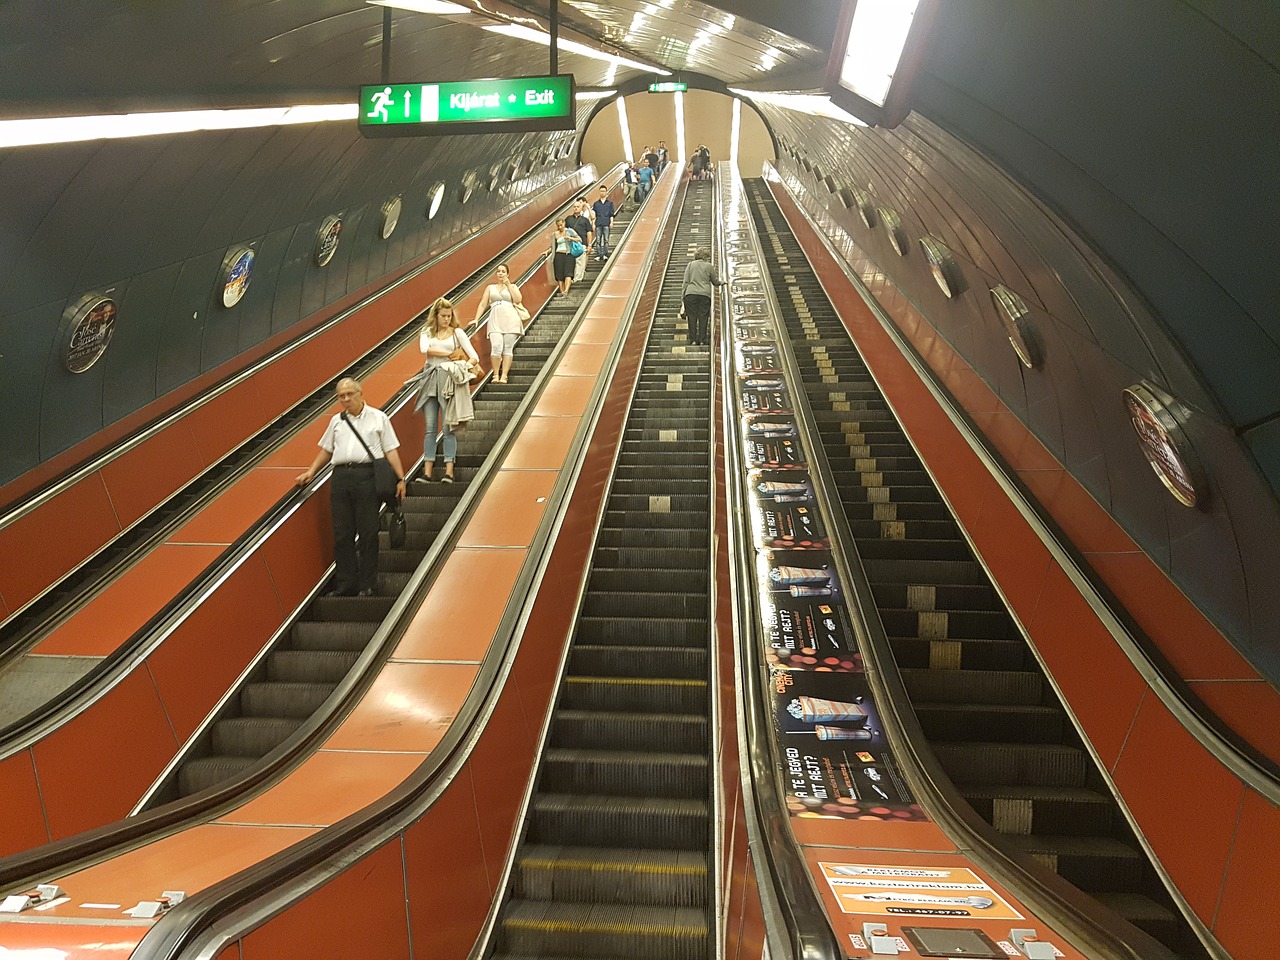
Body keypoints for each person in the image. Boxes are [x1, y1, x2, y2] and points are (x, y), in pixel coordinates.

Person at [296, 377, 405, 597]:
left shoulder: (378, 418)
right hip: (340, 477)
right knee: (342, 533)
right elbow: (327, 450)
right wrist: (311, 471)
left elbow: (390, 450)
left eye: (349, 394)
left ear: (360, 393)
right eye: (341, 396)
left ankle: (368, 584)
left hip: (367, 477)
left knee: (368, 532)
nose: (346, 399)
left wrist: (401, 479)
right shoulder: (337, 421)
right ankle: (345, 584)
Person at [415, 296, 478, 483]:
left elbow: (473, 357)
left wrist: (463, 367)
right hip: (429, 378)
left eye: (449, 316)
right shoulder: (427, 332)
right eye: (443, 316)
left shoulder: (457, 333)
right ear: (435, 316)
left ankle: (449, 470)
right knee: (430, 427)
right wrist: (450, 354)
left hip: (449, 380)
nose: (446, 319)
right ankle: (427, 471)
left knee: (448, 426)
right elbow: (425, 350)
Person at [474, 263, 524, 384]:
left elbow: (518, 299)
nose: (500, 273)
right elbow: (483, 303)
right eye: (498, 271)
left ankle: (504, 376)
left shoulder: (512, 286)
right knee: (496, 347)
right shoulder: (490, 288)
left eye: (503, 271)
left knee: (507, 348)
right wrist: (476, 318)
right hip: (495, 319)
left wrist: (508, 284)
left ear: (507, 273)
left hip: (511, 319)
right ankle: (495, 374)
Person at [681, 246, 724, 346]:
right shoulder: (709, 266)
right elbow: (715, 282)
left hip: (690, 294)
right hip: (704, 294)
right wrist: (723, 282)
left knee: (691, 317)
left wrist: (682, 298)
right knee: (703, 317)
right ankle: (702, 340)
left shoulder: (690, 265)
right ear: (706, 256)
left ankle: (693, 340)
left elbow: (685, 282)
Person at [550, 217, 581, 297]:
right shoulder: (554, 234)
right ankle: (561, 291)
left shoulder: (570, 231)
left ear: (564, 223)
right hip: (558, 255)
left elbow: (579, 239)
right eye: (558, 225)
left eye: (561, 225)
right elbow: (553, 246)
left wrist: (570, 238)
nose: (560, 227)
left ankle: (566, 290)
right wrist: (548, 252)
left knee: (568, 273)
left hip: (568, 254)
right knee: (559, 275)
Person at [567, 199, 594, 285]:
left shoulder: (585, 220)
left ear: (581, 208)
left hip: (582, 244)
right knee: (571, 262)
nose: (576, 208)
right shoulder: (568, 219)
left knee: (580, 262)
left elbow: (589, 232)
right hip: (570, 244)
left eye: (578, 207)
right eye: (574, 207)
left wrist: (589, 245)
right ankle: (572, 277)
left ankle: (577, 279)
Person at [591, 185, 615, 261]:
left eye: (604, 191)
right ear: (599, 192)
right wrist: (593, 224)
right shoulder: (596, 204)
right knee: (598, 240)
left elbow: (611, 214)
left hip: (606, 223)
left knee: (606, 240)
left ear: (606, 192)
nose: (602, 192)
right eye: (601, 191)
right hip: (598, 223)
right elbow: (594, 215)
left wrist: (611, 222)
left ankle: (605, 254)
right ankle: (598, 255)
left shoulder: (610, 203)